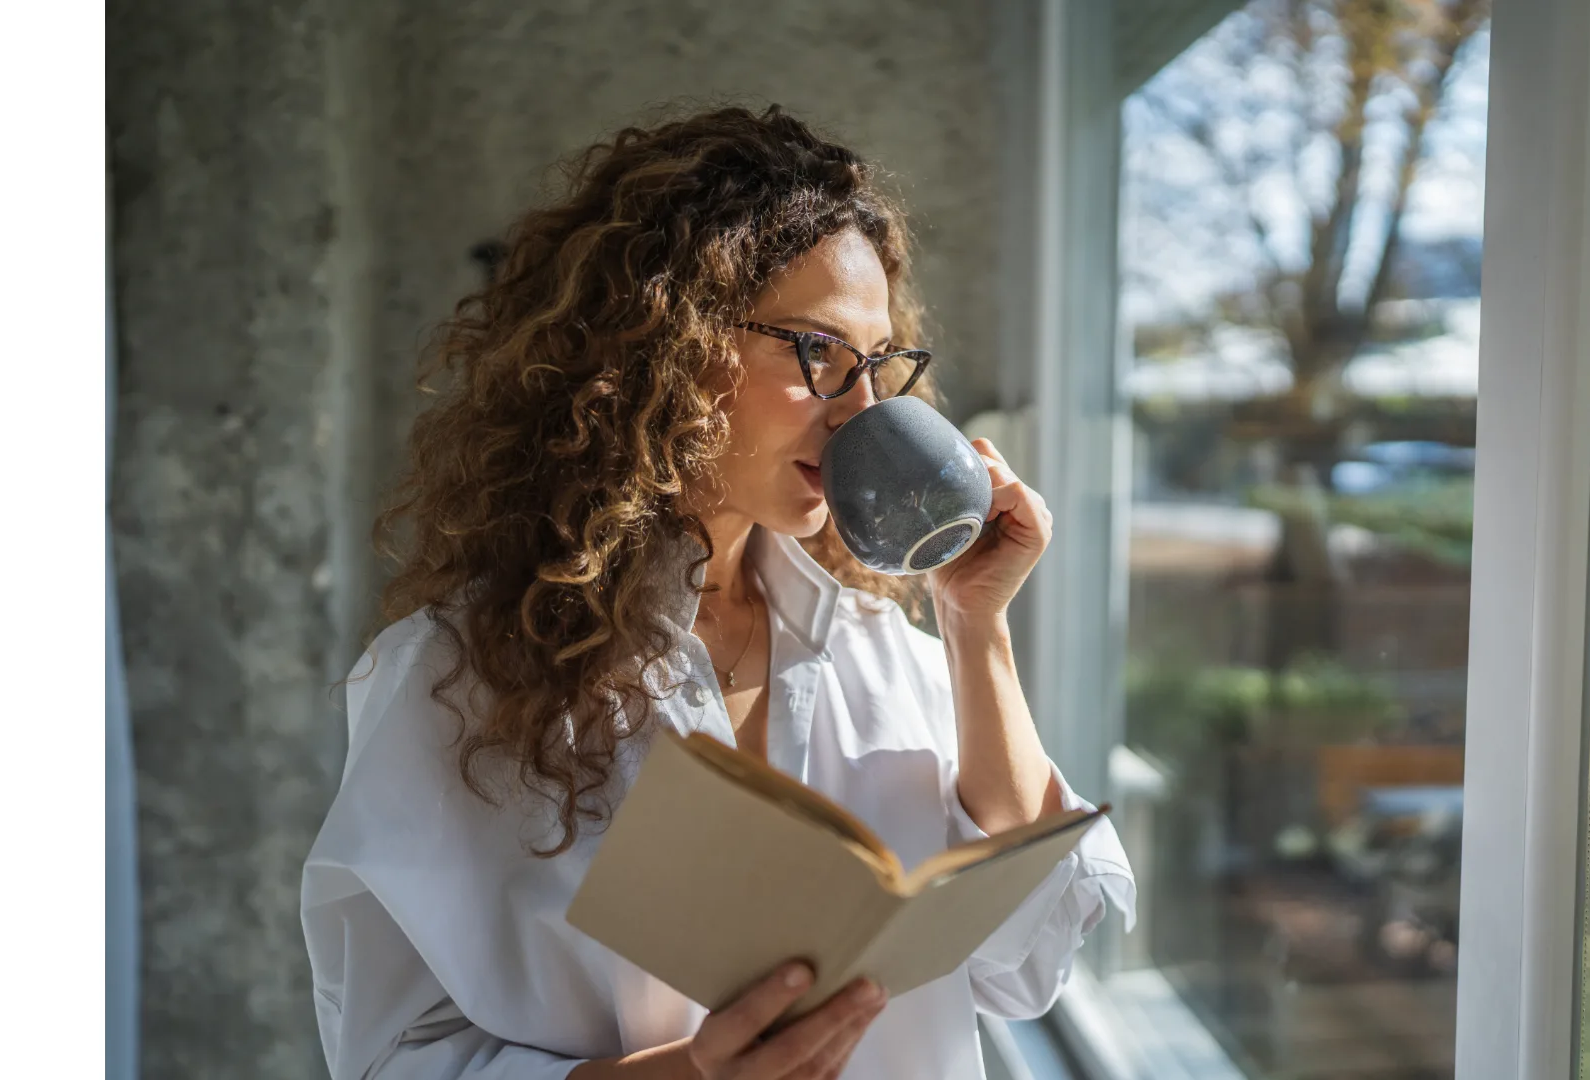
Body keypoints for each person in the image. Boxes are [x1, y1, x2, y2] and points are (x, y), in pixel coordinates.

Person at [300, 104, 1135, 1080]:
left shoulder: (889, 654)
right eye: (817, 352)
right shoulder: (457, 680)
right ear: (664, 342)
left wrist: (975, 623)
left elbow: (1025, 968)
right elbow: (392, 1057)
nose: (863, 410)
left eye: (879, 365)